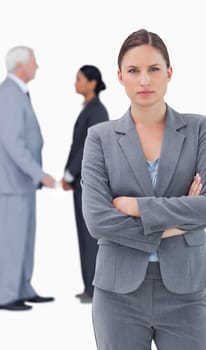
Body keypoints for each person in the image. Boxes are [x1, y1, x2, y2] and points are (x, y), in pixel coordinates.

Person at [81, 29, 206, 349]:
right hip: (118, 295)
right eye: (134, 71)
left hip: (185, 291)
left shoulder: (199, 129)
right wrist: (176, 223)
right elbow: (98, 221)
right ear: (120, 77)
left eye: (153, 69)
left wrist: (137, 207)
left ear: (169, 73)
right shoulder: (100, 138)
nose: (144, 80)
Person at [0, 46, 56, 311]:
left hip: (22, 184)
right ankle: (6, 294)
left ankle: (22, 287)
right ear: (21, 65)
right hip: (11, 183)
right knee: (11, 241)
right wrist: (39, 173)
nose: (37, 66)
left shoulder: (18, 93)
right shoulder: (9, 94)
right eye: (34, 62)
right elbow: (12, 142)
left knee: (25, 239)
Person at [62, 65, 109, 303]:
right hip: (81, 182)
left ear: (92, 82)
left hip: (90, 183)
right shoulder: (88, 110)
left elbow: (87, 147)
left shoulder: (98, 111)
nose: (75, 83)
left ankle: (96, 287)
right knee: (83, 233)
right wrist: (68, 174)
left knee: (91, 235)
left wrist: (70, 173)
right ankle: (89, 286)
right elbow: (76, 145)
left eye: (79, 79)